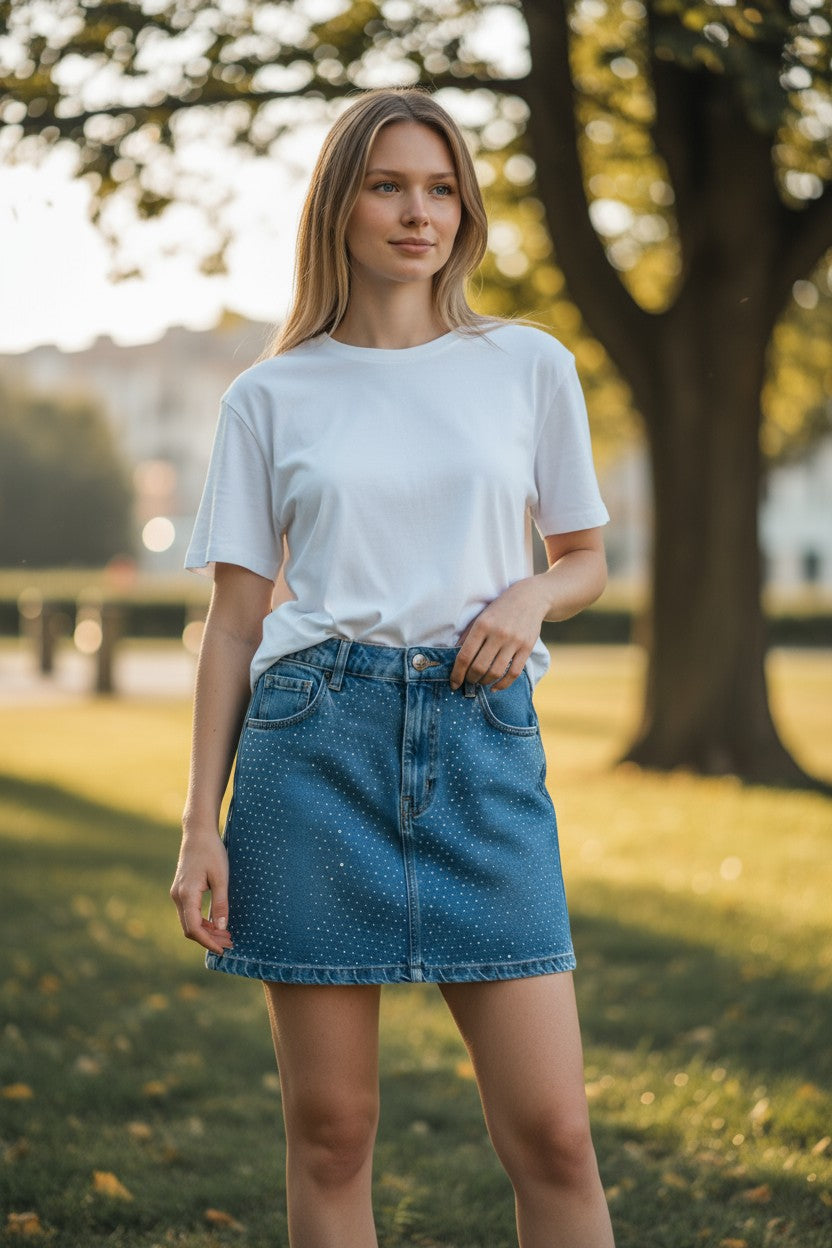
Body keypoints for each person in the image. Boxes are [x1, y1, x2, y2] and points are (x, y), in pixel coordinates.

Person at [170, 85, 616, 1248]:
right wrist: (199, 823)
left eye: (440, 188)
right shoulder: (269, 395)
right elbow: (233, 621)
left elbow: (585, 561)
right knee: (330, 1133)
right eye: (388, 186)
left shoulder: (525, 364)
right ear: (340, 204)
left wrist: (529, 593)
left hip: (481, 747)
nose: (420, 213)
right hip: (312, 747)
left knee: (556, 1135)